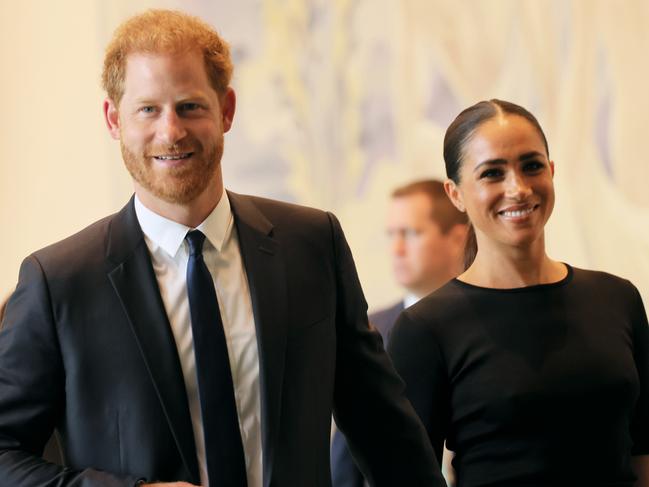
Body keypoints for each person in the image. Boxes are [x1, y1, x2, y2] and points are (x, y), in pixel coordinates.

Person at [0, 9, 445, 487]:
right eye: (147, 109)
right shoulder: (59, 281)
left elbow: (385, 431)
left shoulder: (313, 244)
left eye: (190, 106)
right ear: (114, 119)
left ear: (226, 109)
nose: (171, 131)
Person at [388, 99, 649, 486]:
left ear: (552, 170)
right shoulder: (425, 328)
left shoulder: (617, 298)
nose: (519, 188)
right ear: (455, 193)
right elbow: (405, 475)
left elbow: (642, 447)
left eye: (531, 166)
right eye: (492, 173)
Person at [331, 180, 467, 487]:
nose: (397, 249)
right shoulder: (367, 329)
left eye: (411, 233)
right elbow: (347, 454)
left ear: (458, 238)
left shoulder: (486, 325)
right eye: (392, 235)